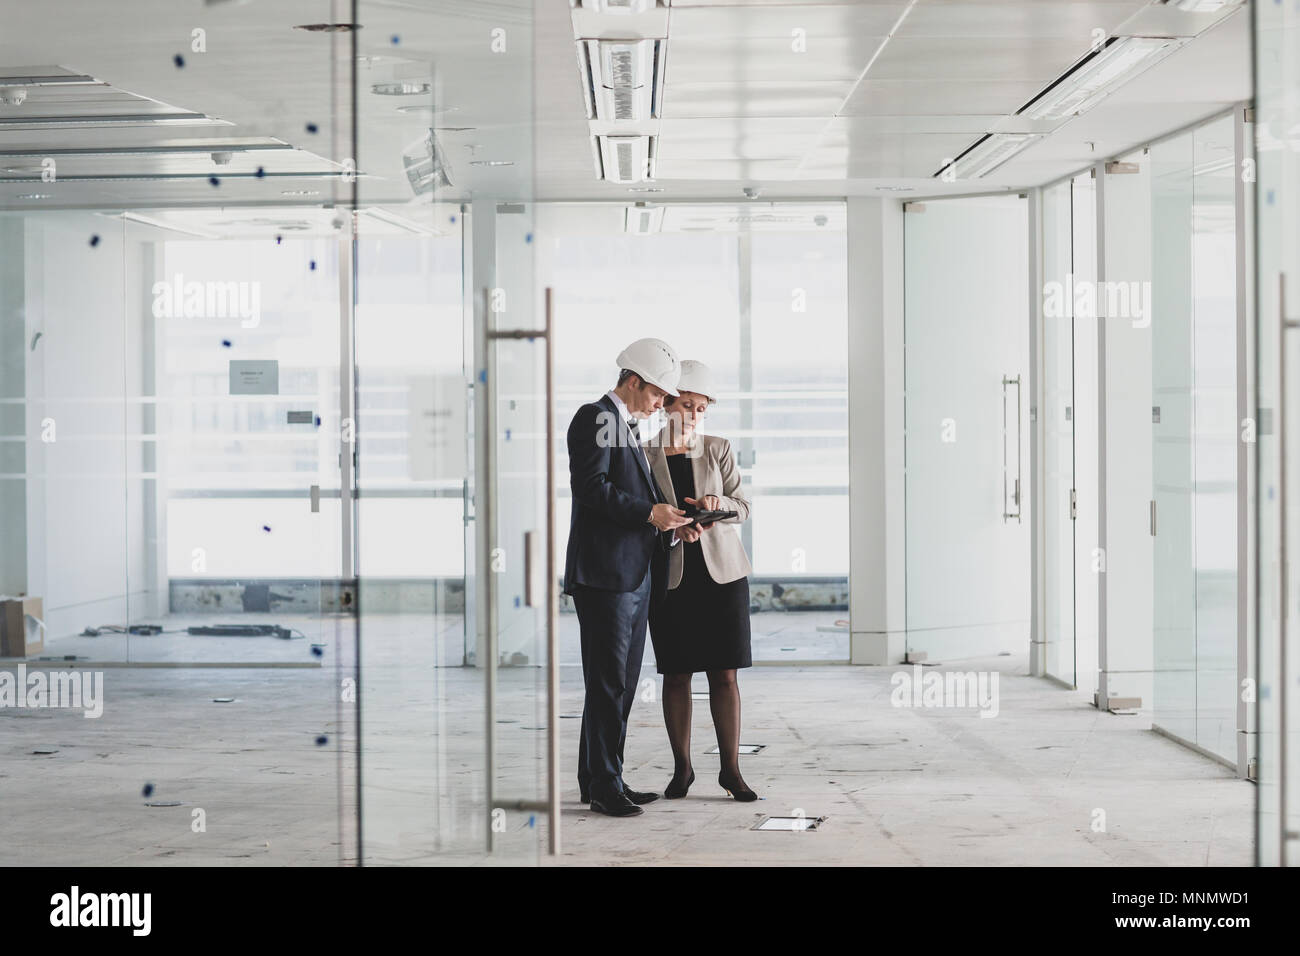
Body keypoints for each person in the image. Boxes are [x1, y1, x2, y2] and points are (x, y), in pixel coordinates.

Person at [563, 337, 693, 817]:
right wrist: (648, 513)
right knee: (610, 683)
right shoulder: (596, 418)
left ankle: (600, 778)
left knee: (614, 681)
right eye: (658, 394)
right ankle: (604, 785)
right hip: (606, 577)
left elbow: (622, 493)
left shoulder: (623, 426)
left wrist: (672, 521)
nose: (663, 404)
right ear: (633, 382)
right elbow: (591, 489)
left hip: (629, 575)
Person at [645, 360, 757, 801]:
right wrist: (671, 528)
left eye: (701, 408)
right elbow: (642, 519)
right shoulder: (644, 455)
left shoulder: (718, 448)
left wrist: (718, 503)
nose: (693, 415)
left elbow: (743, 507)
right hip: (673, 579)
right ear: (666, 406)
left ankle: (731, 770)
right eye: (686, 405)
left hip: (722, 576)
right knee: (675, 675)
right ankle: (683, 769)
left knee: (724, 675)